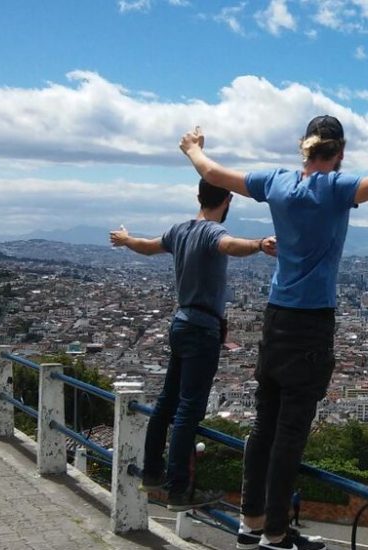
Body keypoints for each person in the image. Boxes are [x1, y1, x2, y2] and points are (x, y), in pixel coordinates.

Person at [178, 116, 368, 550]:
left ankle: (250, 522)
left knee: (265, 424)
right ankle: (277, 534)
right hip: (310, 323)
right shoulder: (334, 189)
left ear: (304, 149)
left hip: (275, 317)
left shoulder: (275, 183)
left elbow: (212, 173)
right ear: (340, 153)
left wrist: (191, 147)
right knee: (290, 432)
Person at [109, 179, 277, 511]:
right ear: (228, 199)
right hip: (202, 328)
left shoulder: (180, 231)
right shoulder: (213, 233)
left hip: (180, 321)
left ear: (198, 196)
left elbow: (147, 245)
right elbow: (230, 246)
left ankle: (152, 472)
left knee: (166, 402)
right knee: (189, 409)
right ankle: (178, 489)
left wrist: (126, 239)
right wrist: (260, 244)